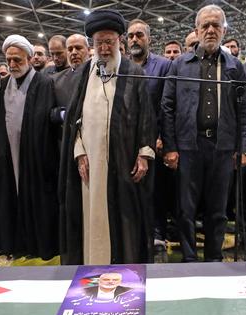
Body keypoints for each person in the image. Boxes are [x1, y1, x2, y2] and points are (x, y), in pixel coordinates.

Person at [59, 9, 156, 265]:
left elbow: (147, 116)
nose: (103, 48)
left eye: (109, 42)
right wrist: (79, 153)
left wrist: (144, 154)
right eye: (99, 42)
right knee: (93, 214)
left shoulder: (134, 73)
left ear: (119, 42)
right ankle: (95, 262)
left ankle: (124, 263)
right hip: (90, 163)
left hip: (123, 162)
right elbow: (74, 122)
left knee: (124, 216)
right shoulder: (83, 74)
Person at [161, 5, 246, 262]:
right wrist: (170, 147)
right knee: (186, 209)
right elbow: (167, 107)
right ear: (197, 30)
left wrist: (243, 148)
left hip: (223, 148)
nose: (210, 30)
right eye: (205, 25)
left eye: (216, 25)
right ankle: (189, 258)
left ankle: (213, 259)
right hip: (189, 147)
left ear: (224, 30)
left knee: (218, 210)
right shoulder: (180, 64)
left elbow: (245, 110)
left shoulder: (235, 67)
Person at [0, 35, 60, 259]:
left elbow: (44, 120)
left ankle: (37, 245)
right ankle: (16, 243)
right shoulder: (2, 85)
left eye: (17, 60)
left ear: (28, 58)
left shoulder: (44, 83)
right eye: (9, 60)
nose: (12, 65)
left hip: (34, 156)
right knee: (10, 197)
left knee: (36, 199)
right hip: (9, 151)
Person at [127, 19, 172, 251]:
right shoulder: (122, 67)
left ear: (149, 39)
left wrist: (163, 136)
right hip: (127, 141)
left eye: (139, 35)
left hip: (155, 140)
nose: (135, 39)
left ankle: (157, 234)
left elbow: (167, 105)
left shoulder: (163, 66)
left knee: (156, 190)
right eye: (131, 36)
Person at [52, 34, 90, 114]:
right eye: (70, 49)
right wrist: (62, 115)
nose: (74, 52)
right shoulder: (55, 81)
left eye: (78, 48)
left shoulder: (101, 76)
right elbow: (50, 110)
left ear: (88, 50)